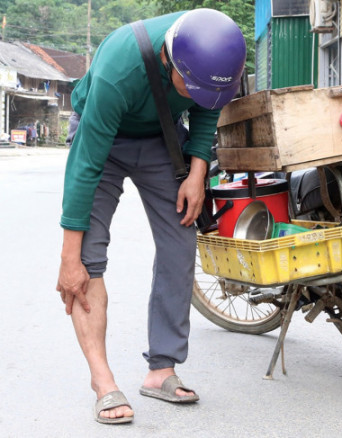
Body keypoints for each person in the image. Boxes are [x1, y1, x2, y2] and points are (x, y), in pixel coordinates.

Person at [56, 9, 246, 424]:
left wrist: (198, 172)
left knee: (181, 242)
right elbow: (85, 165)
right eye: (190, 86)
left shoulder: (216, 54)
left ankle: (162, 370)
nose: (198, 95)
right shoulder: (118, 70)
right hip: (102, 139)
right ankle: (103, 381)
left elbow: (207, 108)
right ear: (169, 61)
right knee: (87, 259)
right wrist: (69, 259)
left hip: (160, 138)